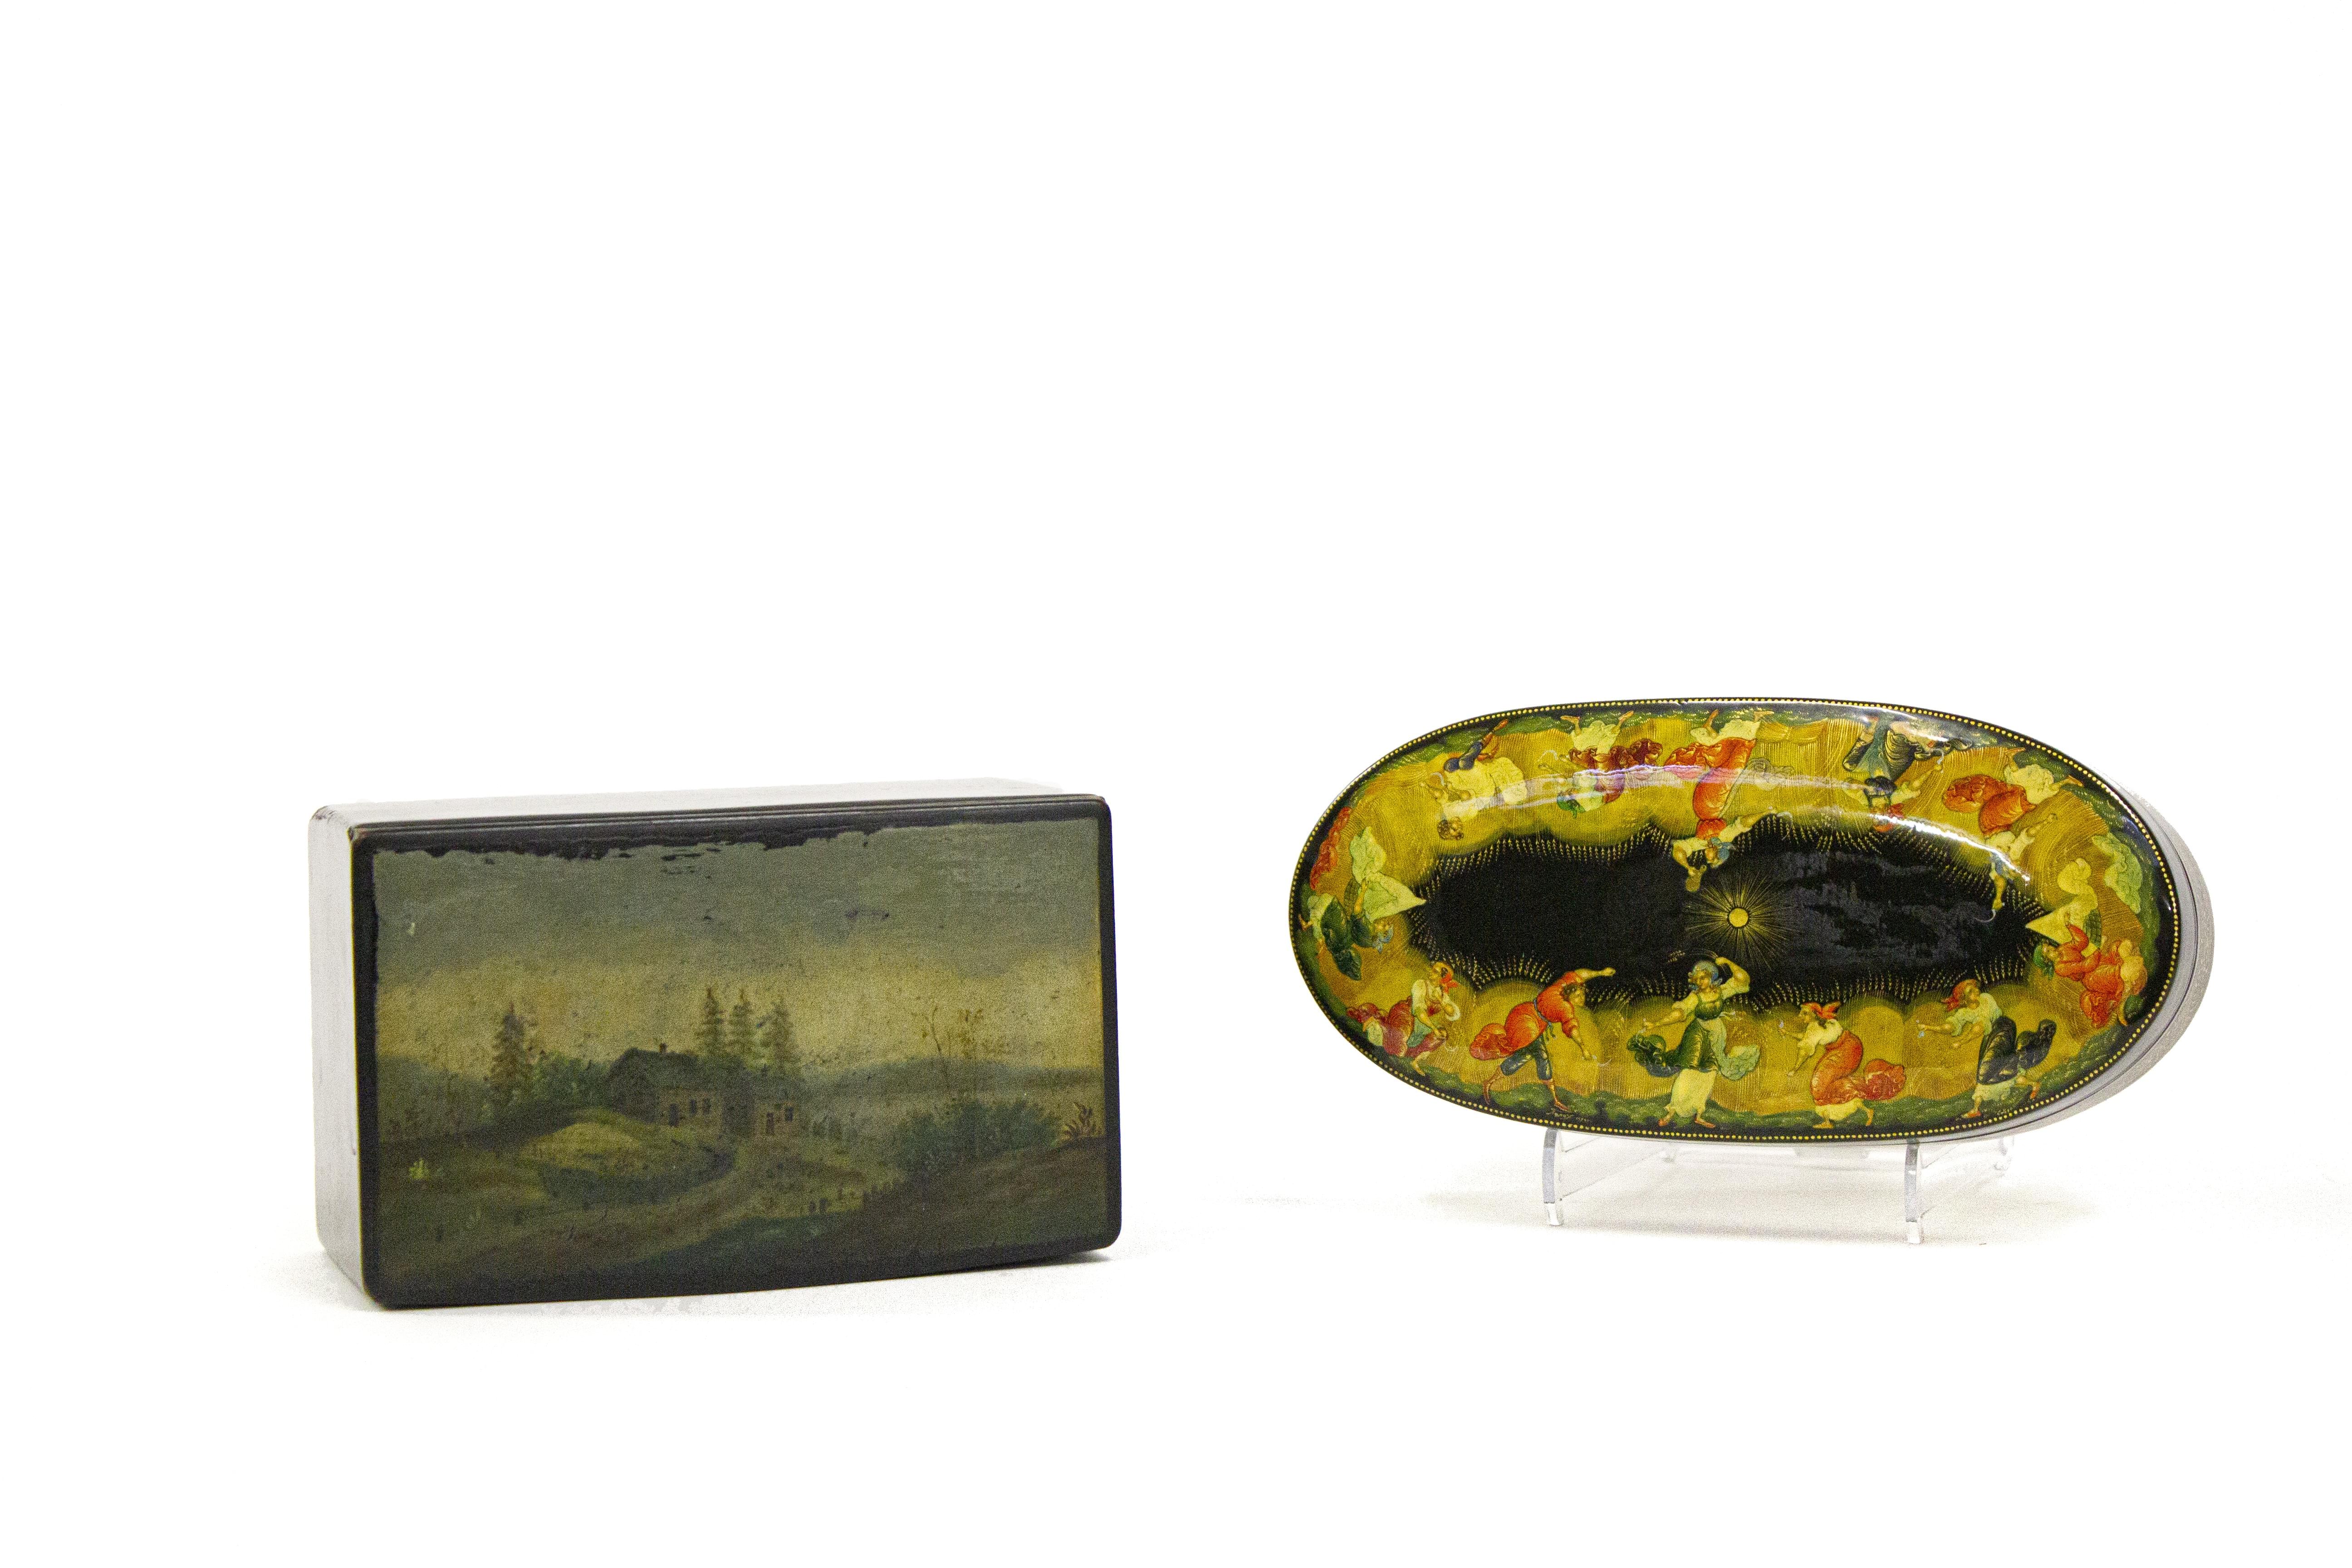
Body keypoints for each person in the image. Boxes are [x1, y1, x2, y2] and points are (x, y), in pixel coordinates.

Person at [1626, 956, 1760, 1128]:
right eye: (1697, 980)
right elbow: (1680, 1014)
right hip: (1697, 1035)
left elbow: (1743, 980)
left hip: (1716, 1035)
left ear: (1711, 977)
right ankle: (1671, 1112)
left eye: (1704, 978)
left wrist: (1728, 962)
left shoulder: (1721, 991)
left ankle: (1699, 1115)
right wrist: (1656, 1024)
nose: (1701, 982)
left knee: (1710, 1073)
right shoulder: (1695, 997)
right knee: (1689, 1071)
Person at [1468, 965, 1616, 1112]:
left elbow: (1580, 974)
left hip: (1524, 1013)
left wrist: (1601, 972)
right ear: (1570, 996)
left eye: (1582, 994)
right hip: (1527, 1025)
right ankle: (1553, 1099)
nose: (1582, 998)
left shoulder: (1562, 986)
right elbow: (1573, 1030)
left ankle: (1491, 1083)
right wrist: (1584, 1049)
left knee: (1530, 1055)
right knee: (1537, 1056)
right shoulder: (1565, 1008)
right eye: (1578, 996)